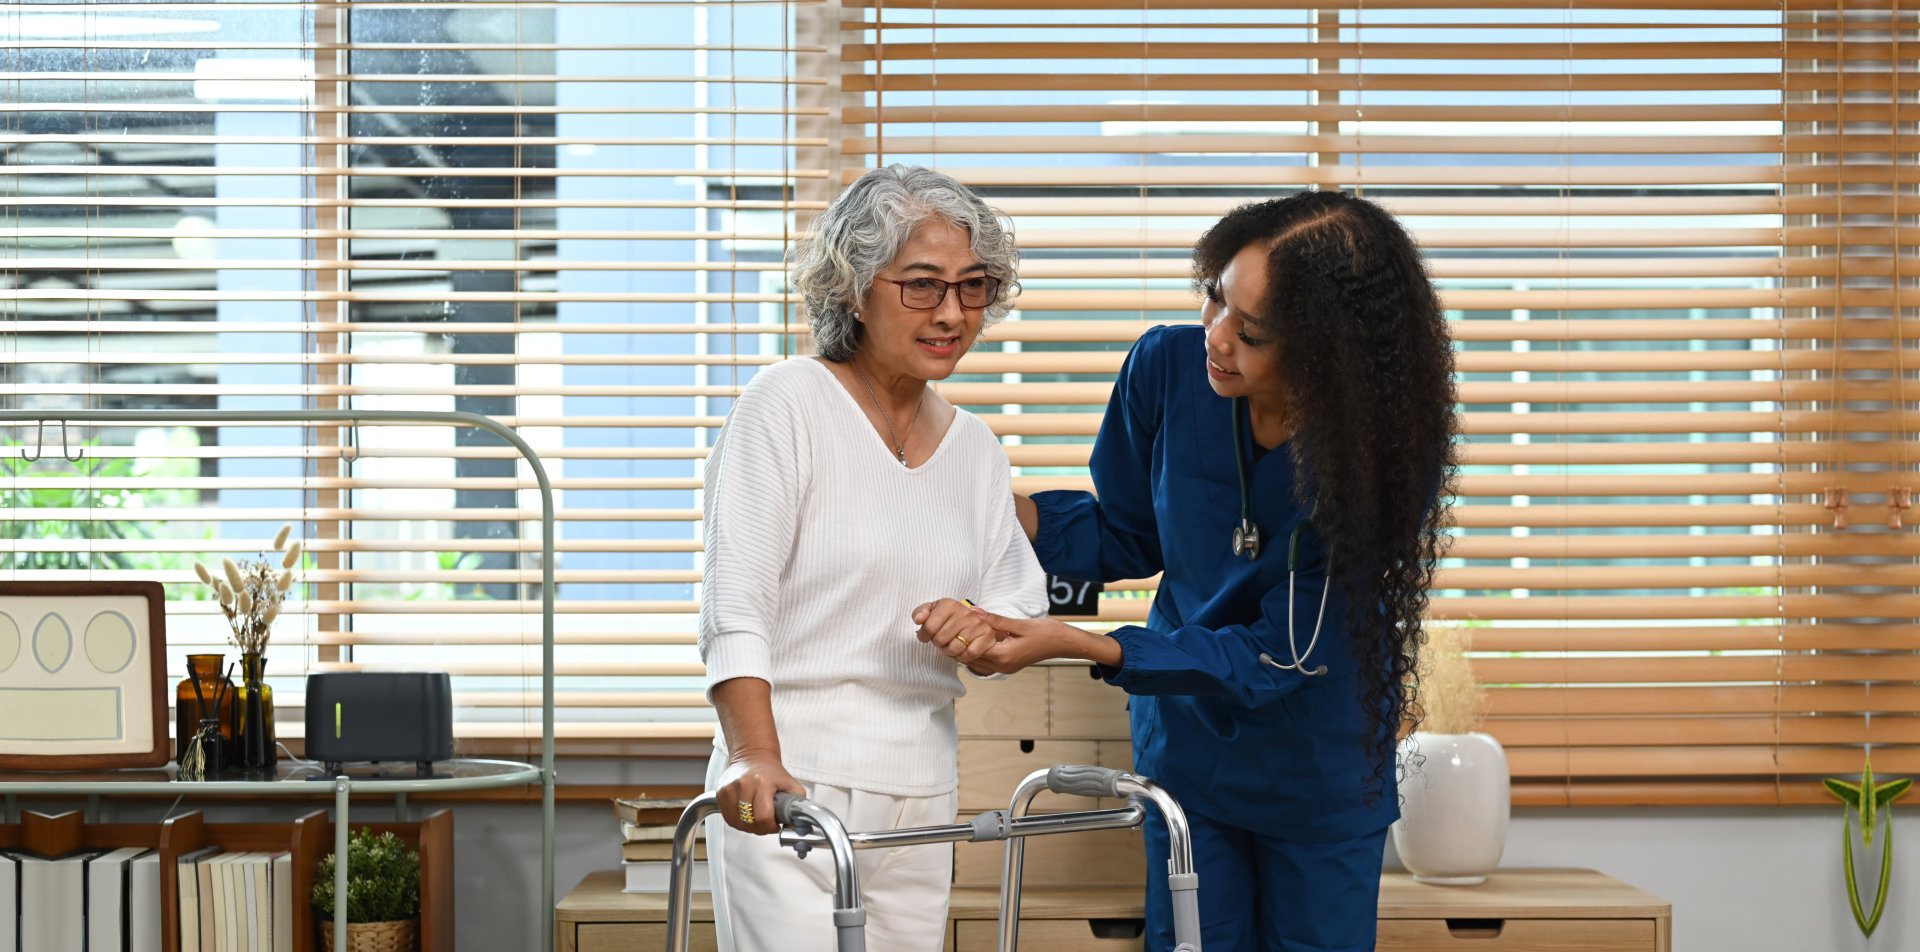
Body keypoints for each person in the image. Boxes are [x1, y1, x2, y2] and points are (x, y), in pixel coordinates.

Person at [939, 191, 1458, 952]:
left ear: (1324, 353)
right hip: (1189, 760)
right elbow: (1127, 534)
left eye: (1251, 333)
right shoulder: (1165, 369)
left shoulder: (1378, 460)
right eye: (1215, 298)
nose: (1215, 338)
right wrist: (989, 504)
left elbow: (1280, 653)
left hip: (1314, 776)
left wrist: (1086, 645)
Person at [698, 164, 1048, 952]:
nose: (952, 312)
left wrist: (978, 631)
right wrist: (753, 752)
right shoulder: (785, 405)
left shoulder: (976, 450)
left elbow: (1015, 611)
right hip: (791, 779)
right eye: (922, 285)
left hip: (921, 788)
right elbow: (735, 604)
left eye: (973, 286)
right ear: (852, 288)